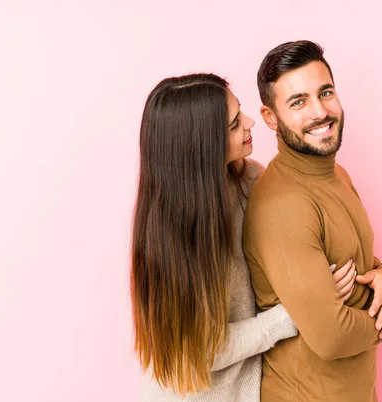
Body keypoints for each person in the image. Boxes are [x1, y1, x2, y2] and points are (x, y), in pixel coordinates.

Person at [130, 73, 357, 401]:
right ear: (203, 147)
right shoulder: (171, 237)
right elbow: (201, 351)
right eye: (235, 124)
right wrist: (294, 314)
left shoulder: (250, 179)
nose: (250, 122)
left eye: (241, 112)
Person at [243, 40, 382, 401]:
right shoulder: (282, 204)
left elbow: (361, 264)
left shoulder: (338, 175)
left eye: (325, 92)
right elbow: (331, 336)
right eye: (298, 102)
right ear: (271, 118)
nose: (320, 112)